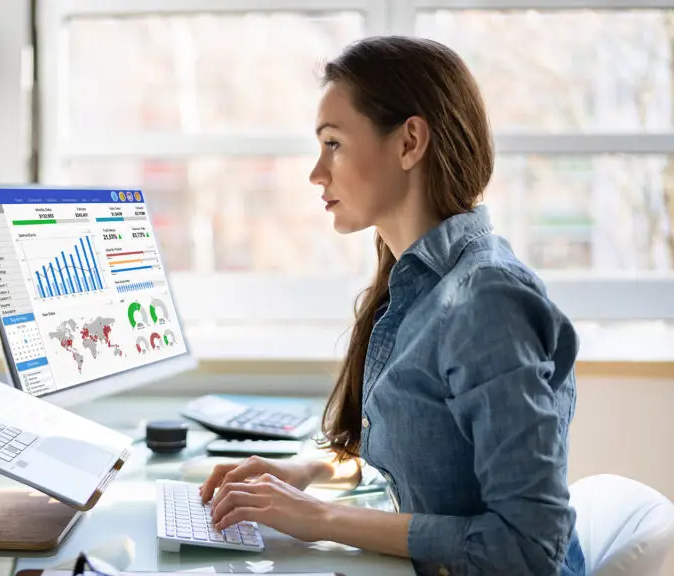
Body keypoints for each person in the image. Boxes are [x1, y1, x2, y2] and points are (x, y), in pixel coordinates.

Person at [199, 36, 585, 576]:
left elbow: (528, 548)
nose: (316, 172)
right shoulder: (417, 285)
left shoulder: (487, 300)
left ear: (409, 143)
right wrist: (305, 473)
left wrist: (320, 519)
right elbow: (425, 460)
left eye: (333, 143)